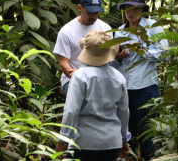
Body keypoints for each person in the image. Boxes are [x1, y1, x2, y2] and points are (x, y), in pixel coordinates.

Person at [56, 30, 130, 161]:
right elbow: (123, 112)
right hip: (111, 142)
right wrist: (124, 139)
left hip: (83, 142)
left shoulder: (80, 76)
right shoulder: (119, 77)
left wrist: (62, 140)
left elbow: (71, 110)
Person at [111, 0, 168, 161]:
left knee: (148, 134)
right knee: (126, 133)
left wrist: (142, 50)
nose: (131, 12)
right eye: (127, 8)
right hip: (123, 90)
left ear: (143, 9)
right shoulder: (119, 32)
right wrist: (118, 58)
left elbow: (165, 54)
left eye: (135, 8)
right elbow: (112, 65)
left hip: (146, 87)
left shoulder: (153, 27)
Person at [53, 0, 112, 95]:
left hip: (99, 78)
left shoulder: (106, 29)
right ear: (80, 8)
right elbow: (63, 64)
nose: (94, 16)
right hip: (73, 79)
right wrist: (76, 76)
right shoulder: (66, 31)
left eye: (97, 12)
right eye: (90, 12)